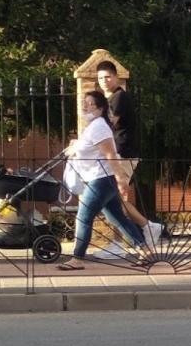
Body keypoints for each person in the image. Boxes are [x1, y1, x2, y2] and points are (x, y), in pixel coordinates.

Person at [58, 90, 147, 270]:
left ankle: (77, 258)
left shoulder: (99, 126)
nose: (86, 106)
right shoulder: (93, 126)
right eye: (85, 102)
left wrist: (121, 179)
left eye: (90, 103)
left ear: (100, 108)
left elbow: (110, 155)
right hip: (98, 179)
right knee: (117, 218)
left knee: (83, 217)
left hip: (101, 180)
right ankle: (144, 250)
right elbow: (91, 149)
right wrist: (75, 147)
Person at [93, 61, 163, 260]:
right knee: (113, 200)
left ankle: (145, 228)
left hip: (123, 153)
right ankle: (133, 235)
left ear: (116, 77)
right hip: (117, 154)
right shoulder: (111, 99)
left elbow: (109, 122)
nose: (104, 81)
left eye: (107, 77)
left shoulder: (119, 97)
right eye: (100, 78)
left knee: (114, 200)